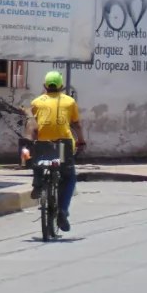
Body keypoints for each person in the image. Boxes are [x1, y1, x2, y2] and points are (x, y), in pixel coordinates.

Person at [27, 71, 85, 233]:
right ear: (61, 86)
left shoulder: (36, 102)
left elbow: (33, 127)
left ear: (45, 86)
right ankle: (63, 211)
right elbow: (77, 125)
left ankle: (38, 182)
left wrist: (31, 142)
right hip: (63, 146)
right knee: (68, 177)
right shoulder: (70, 101)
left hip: (43, 145)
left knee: (37, 158)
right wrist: (81, 141)